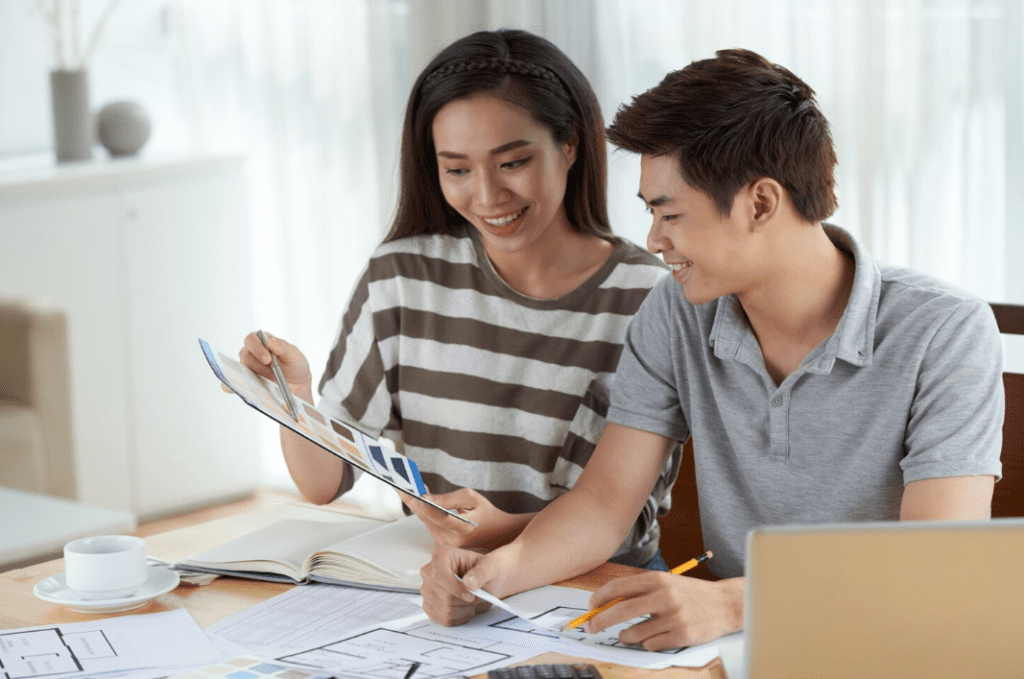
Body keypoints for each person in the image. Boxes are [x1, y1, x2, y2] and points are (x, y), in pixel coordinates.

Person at [418, 48, 1004, 648]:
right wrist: (497, 574)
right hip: (731, 646)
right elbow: (604, 502)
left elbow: (936, 563)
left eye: (669, 214)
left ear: (760, 203)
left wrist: (732, 600)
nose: (652, 239)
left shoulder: (946, 331)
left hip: (886, 642)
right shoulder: (677, 311)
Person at [235, 29, 673, 569]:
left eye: (512, 162)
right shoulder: (402, 278)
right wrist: (293, 396)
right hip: (436, 583)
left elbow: (625, 519)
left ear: (570, 144)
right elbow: (324, 482)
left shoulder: (649, 299)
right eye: (458, 169)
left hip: (587, 587)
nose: (487, 196)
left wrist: (501, 534)